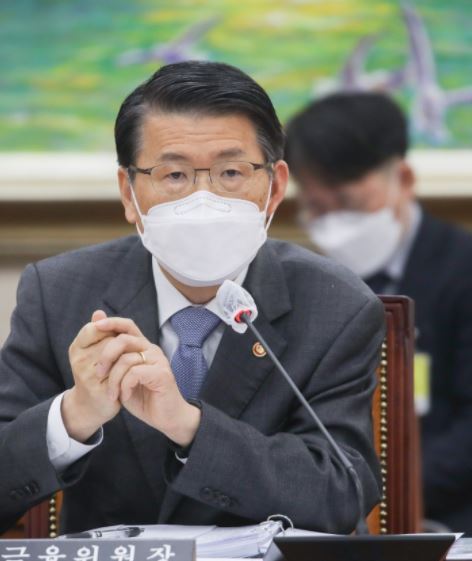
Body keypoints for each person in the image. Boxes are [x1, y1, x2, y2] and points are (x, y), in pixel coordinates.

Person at [0, 62, 384, 536]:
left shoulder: (336, 305)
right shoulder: (59, 293)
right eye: (175, 175)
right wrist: (75, 415)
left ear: (276, 187)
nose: (203, 199)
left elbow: (341, 493)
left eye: (230, 172)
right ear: (129, 193)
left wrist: (188, 425)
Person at [285, 91, 472, 533]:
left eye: (347, 203)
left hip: (449, 518)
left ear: (403, 178)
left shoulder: (463, 270)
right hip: (327, 521)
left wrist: (382, 498)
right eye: (314, 207)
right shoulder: (303, 282)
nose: (331, 224)